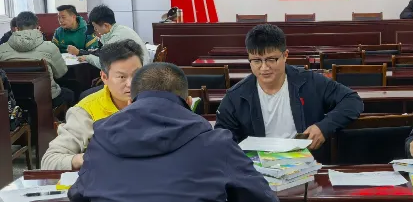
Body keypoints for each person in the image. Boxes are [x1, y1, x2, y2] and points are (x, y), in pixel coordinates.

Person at [68, 63, 277, 202]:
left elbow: (77, 194)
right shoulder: (216, 143)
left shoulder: (101, 140)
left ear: (130, 103)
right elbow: (261, 196)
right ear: (189, 103)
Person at [215, 24, 364, 163]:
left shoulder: (309, 81)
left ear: (285, 55)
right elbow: (223, 142)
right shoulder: (235, 97)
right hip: (258, 171)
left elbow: (352, 100)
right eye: (256, 61)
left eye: (271, 59)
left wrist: (324, 127)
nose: (264, 67)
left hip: (306, 165)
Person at [41, 40, 144, 170]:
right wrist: (90, 157)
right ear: (104, 77)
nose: (130, 84)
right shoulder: (86, 111)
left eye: (137, 74)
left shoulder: (159, 100)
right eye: (121, 77)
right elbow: (50, 161)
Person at [0, 11, 73, 108]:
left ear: (16, 29)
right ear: (38, 28)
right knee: (70, 93)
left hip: (13, 101)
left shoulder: (2, 49)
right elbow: (60, 73)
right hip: (45, 99)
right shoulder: (50, 47)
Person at [81, 4, 149, 68]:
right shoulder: (122, 29)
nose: (96, 30)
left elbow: (105, 64)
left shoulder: (116, 39)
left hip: (137, 73)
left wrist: (87, 57)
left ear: (106, 25)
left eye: (96, 27)